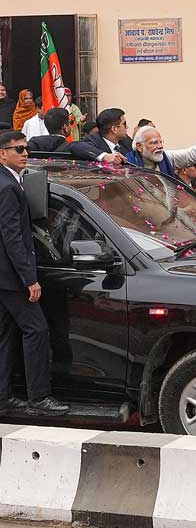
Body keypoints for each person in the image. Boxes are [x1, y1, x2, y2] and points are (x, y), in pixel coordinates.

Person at [0, 130, 70, 416]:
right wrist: (30, 279)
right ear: (2, 153)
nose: (24, 153)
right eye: (18, 149)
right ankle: (39, 398)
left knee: (5, 335)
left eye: (26, 148)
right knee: (37, 330)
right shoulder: (7, 187)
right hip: (12, 278)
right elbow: (13, 237)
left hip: (4, 277)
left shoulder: (10, 182)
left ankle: (3, 397)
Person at [127, 119, 196, 177]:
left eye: (160, 142)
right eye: (154, 143)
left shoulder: (167, 158)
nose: (160, 146)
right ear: (139, 147)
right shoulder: (127, 166)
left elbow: (192, 154)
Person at [26, 108, 108, 161]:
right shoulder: (73, 147)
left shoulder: (36, 142)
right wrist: (104, 156)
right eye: (70, 123)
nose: (71, 126)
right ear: (65, 127)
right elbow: (79, 147)